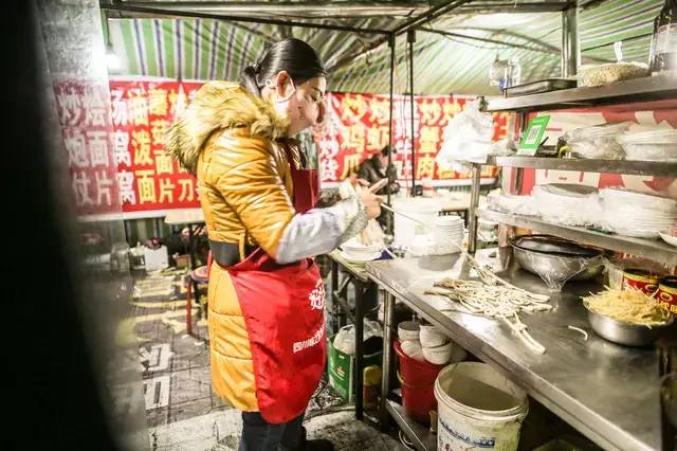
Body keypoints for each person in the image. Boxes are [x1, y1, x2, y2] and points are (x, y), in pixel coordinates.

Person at [166, 38, 381, 451]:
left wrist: (337, 200)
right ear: (282, 84)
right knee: (266, 407)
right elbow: (284, 237)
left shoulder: (275, 141)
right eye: (313, 96)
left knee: (293, 387)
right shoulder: (237, 142)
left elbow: (287, 205)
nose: (318, 113)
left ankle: (294, 446)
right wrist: (354, 213)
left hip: (282, 289)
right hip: (255, 298)